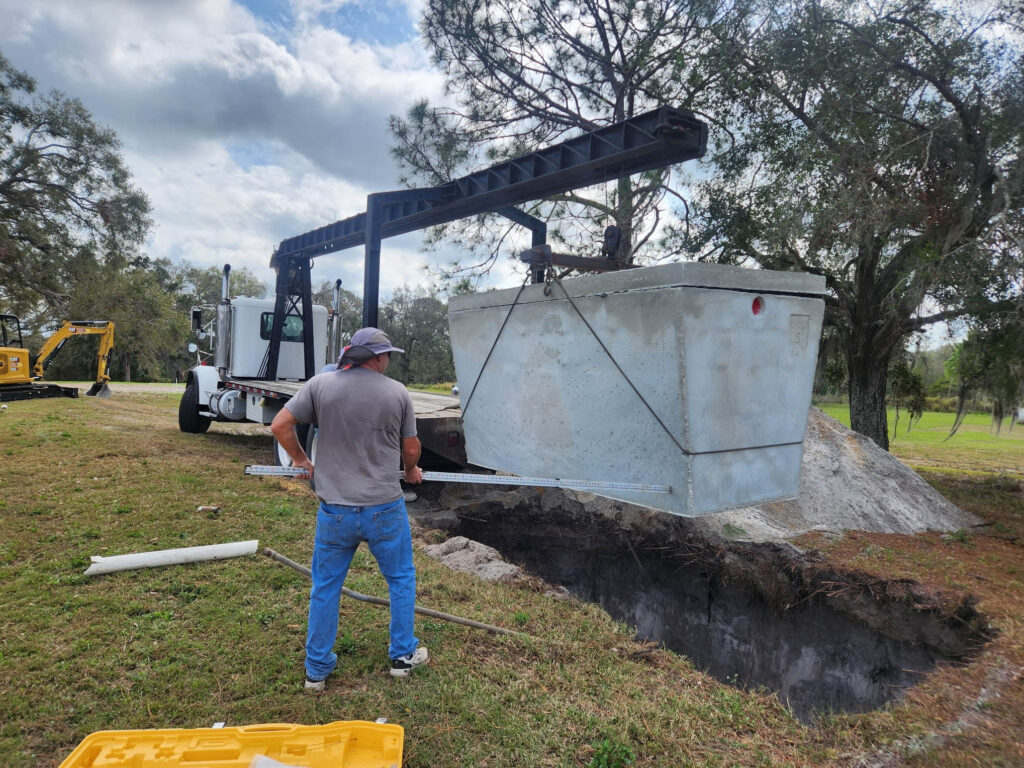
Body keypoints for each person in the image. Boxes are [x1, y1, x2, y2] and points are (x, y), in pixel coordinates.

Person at [270, 327, 426, 691]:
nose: (388, 362)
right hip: (384, 508)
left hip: (335, 511)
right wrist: (410, 470)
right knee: (401, 579)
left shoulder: (321, 385)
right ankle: (402, 657)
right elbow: (411, 447)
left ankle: (316, 671)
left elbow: (280, 424)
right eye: (387, 356)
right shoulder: (397, 392)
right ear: (376, 357)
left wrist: (300, 459)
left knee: (325, 586)